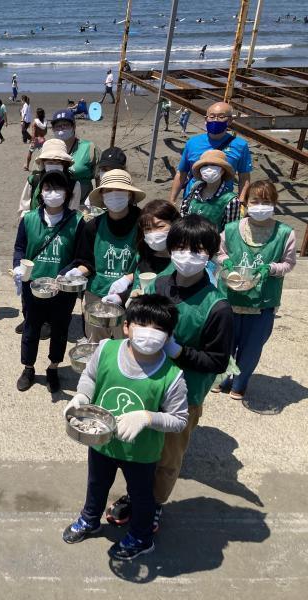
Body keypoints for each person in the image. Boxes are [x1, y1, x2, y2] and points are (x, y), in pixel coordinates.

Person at [107, 214, 233, 531]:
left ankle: (156, 503)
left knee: (167, 458)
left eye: (196, 250)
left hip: (184, 395)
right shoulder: (161, 284)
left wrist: (179, 351)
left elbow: (218, 362)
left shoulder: (217, 306)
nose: (186, 256)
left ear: (210, 254)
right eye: (179, 247)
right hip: (148, 384)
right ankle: (137, 496)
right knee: (137, 449)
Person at [62, 295, 187, 560]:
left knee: (141, 496)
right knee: (96, 483)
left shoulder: (172, 375)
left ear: (168, 336)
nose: (150, 334)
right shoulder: (106, 348)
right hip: (101, 441)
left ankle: (142, 537)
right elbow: (90, 376)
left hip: (141, 453)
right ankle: (90, 518)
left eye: (159, 329)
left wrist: (148, 418)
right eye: (143, 324)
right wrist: (82, 396)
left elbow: (179, 420)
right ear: (127, 326)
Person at [216, 180, 296, 400]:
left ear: (274, 204)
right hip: (231, 294)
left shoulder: (284, 233)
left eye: (266, 201)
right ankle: (221, 377)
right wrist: (226, 262)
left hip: (262, 301)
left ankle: (239, 383)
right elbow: (219, 252)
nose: (260, 205)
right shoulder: (231, 229)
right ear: (246, 204)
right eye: (255, 201)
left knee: (251, 347)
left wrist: (271, 268)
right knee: (226, 341)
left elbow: (289, 263)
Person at [14, 171, 85, 393]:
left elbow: (80, 256)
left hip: (62, 289)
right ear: (40, 193)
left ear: (67, 193)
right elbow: (19, 248)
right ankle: (28, 367)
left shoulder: (77, 221)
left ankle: (54, 366)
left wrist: (65, 272)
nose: (52, 193)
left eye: (58, 189)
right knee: (31, 328)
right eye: (47, 189)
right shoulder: (29, 219)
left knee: (60, 329)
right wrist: (18, 266)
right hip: (33, 286)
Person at [70, 170, 144, 340]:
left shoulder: (143, 225)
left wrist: (128, 279)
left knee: (126, 343)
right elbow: (86, 262)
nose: (114, 195)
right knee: (96, 343)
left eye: (120, 191)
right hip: (97, 295)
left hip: (130, 296)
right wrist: (79, 272)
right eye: (108, 191)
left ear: (130, 195)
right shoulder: (93, 226)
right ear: (102, 196)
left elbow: (149, 264)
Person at [168, 102, 252, 204]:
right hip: (193, 199)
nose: (215, 120)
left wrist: (242, 200)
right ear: (206, 119)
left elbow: (244, 176)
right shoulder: (192, 143)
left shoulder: (240, 145)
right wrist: (172, 200)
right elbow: (182, 173)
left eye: (221, 116)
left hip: (222, 201)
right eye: (211, 116)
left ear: (229, 120)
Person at [180, 149, 241, 232]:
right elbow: (184, 211)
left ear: (223, 170)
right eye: (205, 165)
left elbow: (230, 231)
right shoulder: (195, 189)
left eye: (213, 165)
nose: (208, 169)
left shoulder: (231, 200)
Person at [19, 139, 81, 214]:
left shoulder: (74, 185)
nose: (54, 165)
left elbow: (73, 211)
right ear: (43, 163)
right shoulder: (33, 181)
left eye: (58, 162)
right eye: (50, 162)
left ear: (65, 164)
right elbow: (24, 209)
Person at [49, 109, 99, 202]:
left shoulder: (89, 148)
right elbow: (37, 178)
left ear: (74, 126)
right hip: (55, 206)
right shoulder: (48, 150)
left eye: (65, 125)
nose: (61, 128)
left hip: (83, 206)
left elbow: (99, 177)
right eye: (57, 126)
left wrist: (99, 202)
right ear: (53, 129)